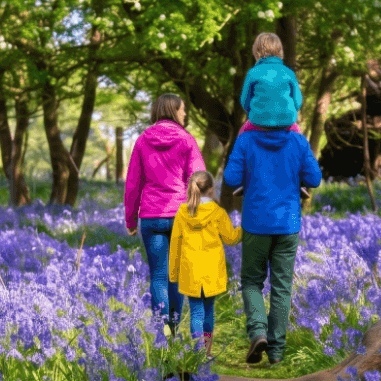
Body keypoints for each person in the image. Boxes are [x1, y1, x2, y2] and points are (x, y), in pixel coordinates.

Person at [223, 108, 323, 365]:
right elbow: (314, 178)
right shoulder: (298, 140)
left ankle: (257, 332)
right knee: (282, 286)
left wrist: (252, 177)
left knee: (251, 281)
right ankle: (276, 352)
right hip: (288, 223)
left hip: (256, 222)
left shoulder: (246, 139)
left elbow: (231, 177)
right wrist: (293, 176)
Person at [124, 94, 207, 335]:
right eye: (182, 110)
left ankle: (162, 333)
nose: (184, 115)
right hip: (180, 215)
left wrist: (131, 220)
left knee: (159, 275)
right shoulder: (187, 140)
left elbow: (133, 184)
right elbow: (198, 179)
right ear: (173, 111)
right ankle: (174, 326)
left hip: (151, 217)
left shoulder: (142, 141)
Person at [168, 171, 242, 358]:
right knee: (208, 311)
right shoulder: (217, 212)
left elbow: (175, 245)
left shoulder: (182, 213)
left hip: (190, 271)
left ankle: (197, 353)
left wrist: (173, 274)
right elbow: (231, 238)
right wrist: (245, 227)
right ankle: (207, 353)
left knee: (196, 313)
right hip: (212, 271)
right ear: (211, 189)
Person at [234, 32, 310, 199]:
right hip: (286, 123)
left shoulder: (253, 73)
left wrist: (253, 112)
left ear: (257, 52)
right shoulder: (288, 73)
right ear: (280, 52)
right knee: (301, 143)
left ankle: (241, 178)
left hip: (258, 122)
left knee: (241, 138)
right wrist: (289, 112)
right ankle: (302, 180)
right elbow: (297, 100)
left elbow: (244, 100)